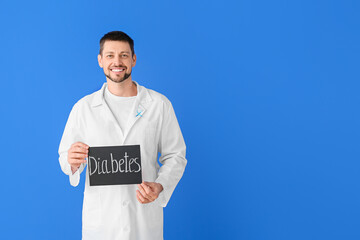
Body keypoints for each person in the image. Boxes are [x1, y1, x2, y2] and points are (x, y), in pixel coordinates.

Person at [58, 31, 187, 240]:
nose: (117, 62)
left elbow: (176, 156)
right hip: (101, 226)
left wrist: (160, 185)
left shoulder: (159, 105)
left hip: (143, 223)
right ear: (100, 60)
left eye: (124, 55)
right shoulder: (84, 108)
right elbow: (66, 159)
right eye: (110, 55)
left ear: (134, 59)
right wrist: (72, 161)